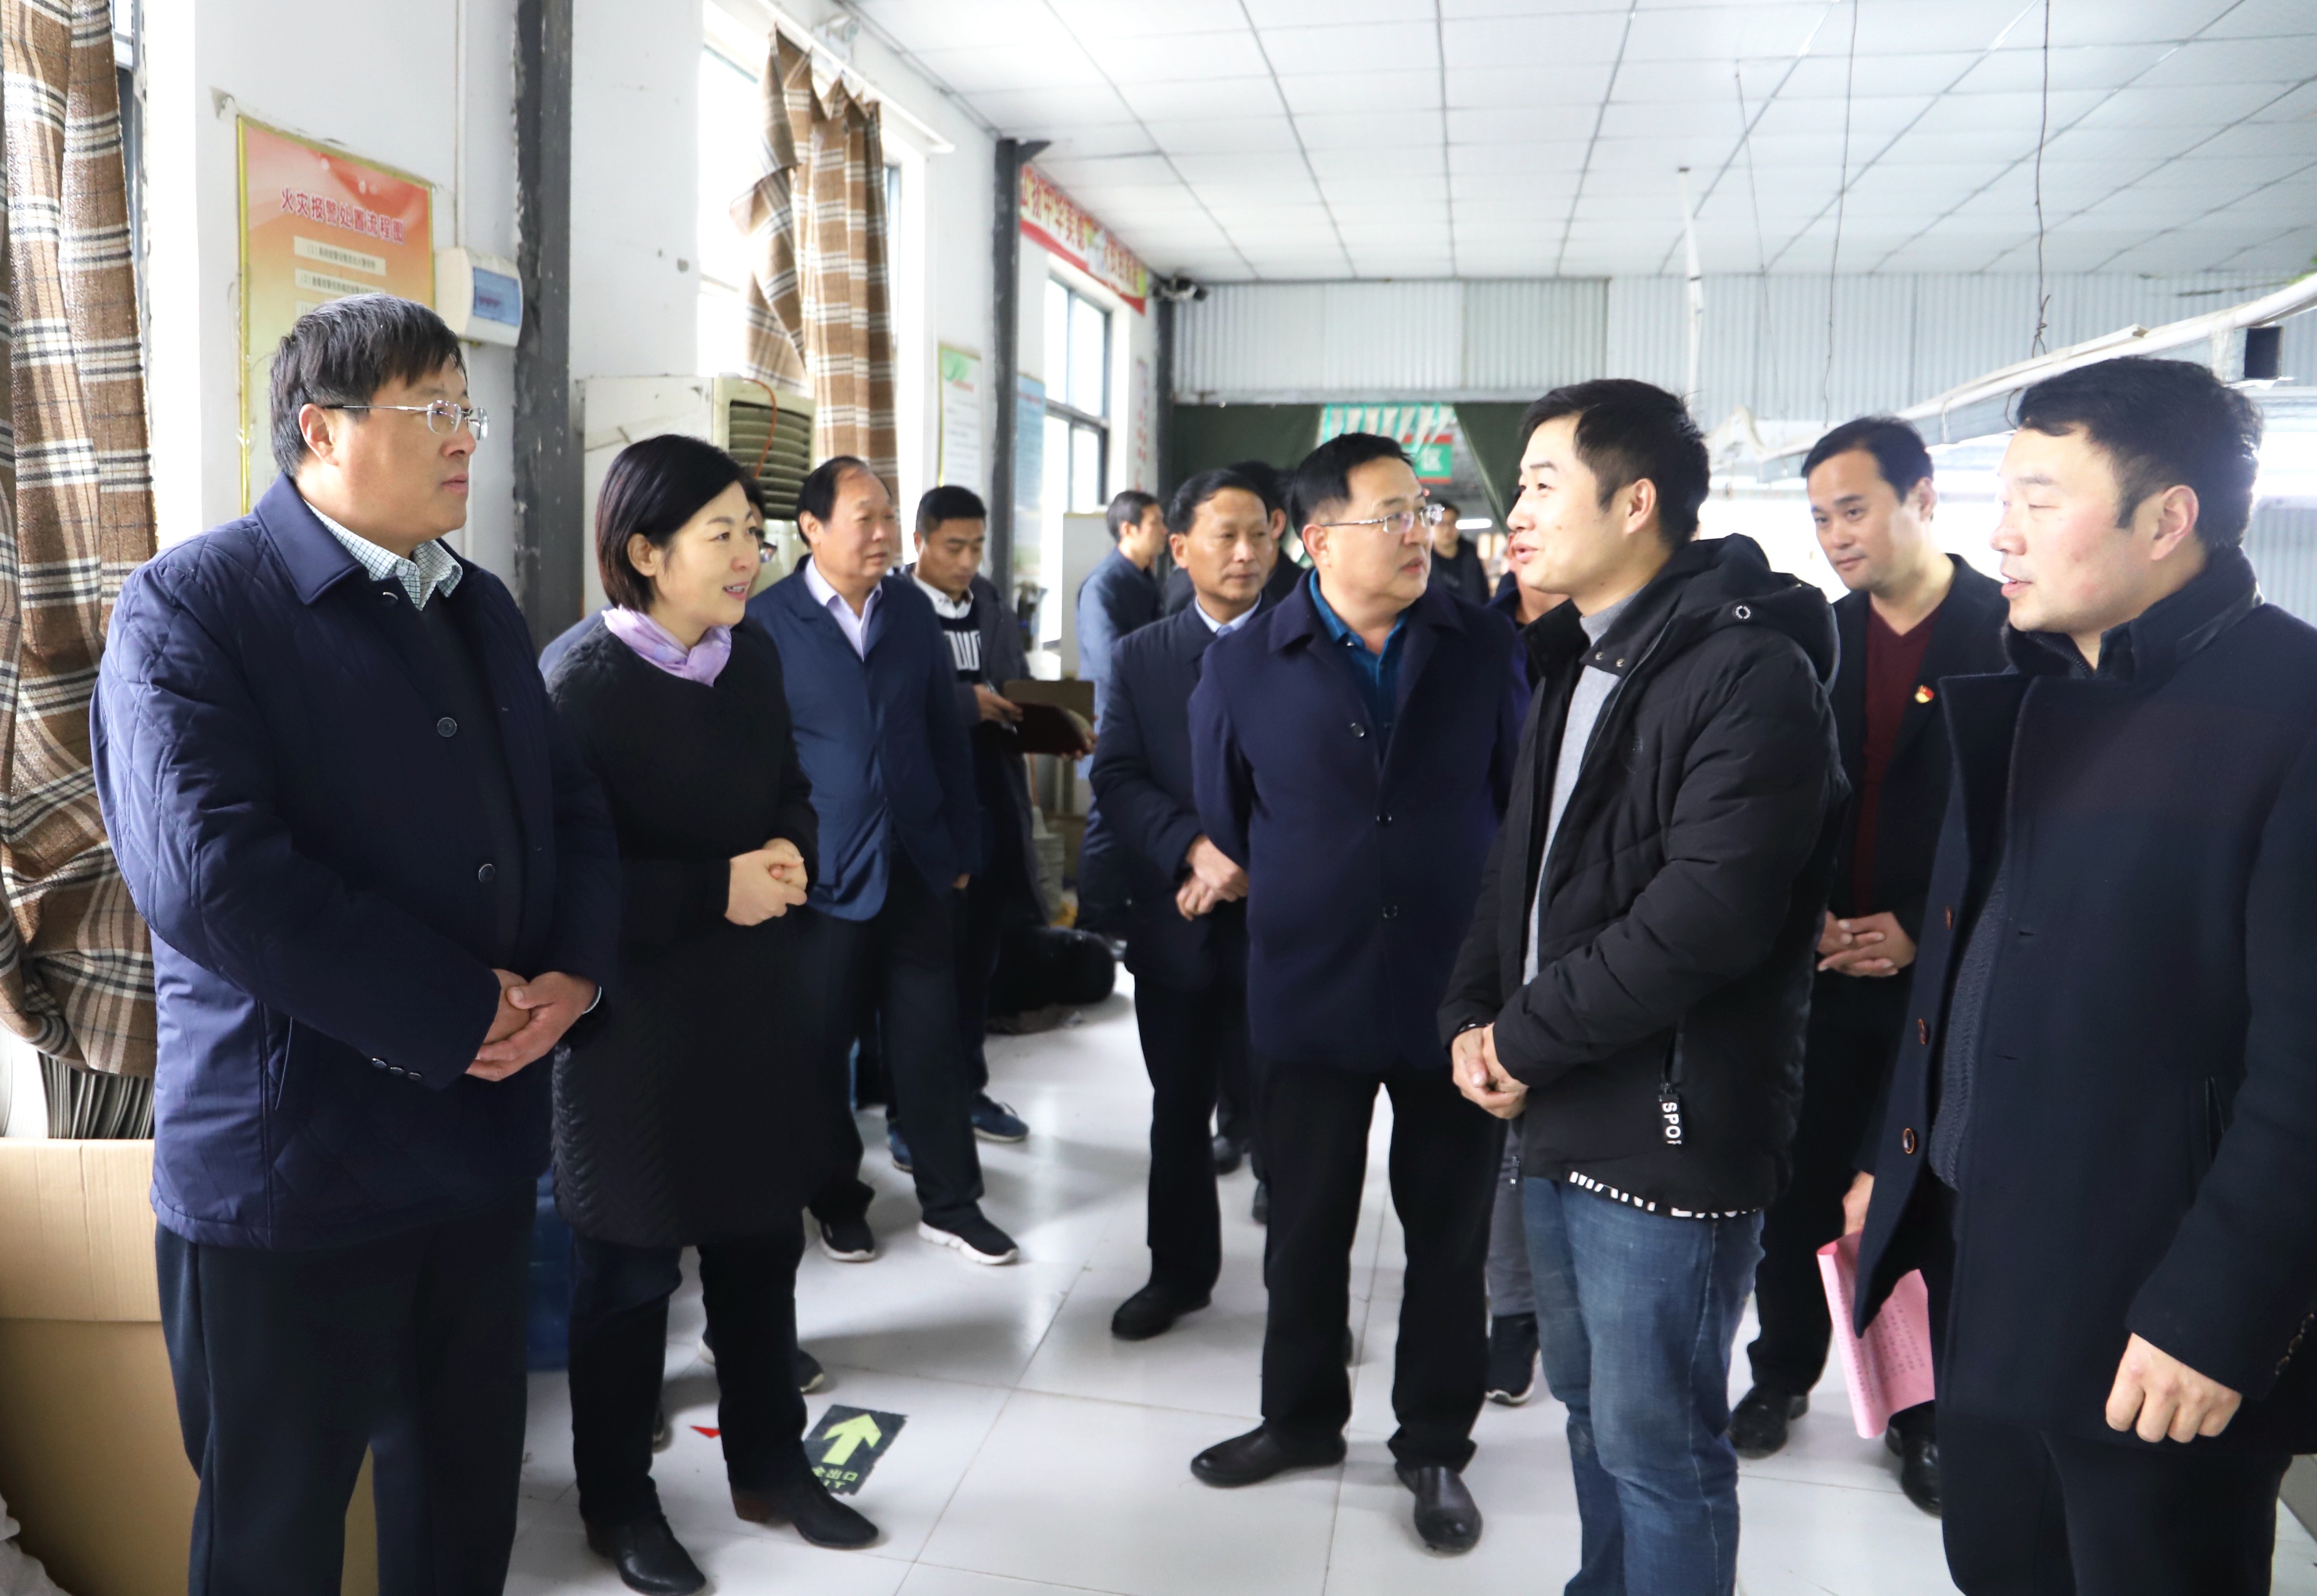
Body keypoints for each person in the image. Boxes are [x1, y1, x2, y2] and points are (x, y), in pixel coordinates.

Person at [91, 293, 621, 1592]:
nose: (465, 435)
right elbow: (211, 878)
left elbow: (569, 805)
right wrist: (454, 1008)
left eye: (464, 406)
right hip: (291, 1170)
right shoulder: (191, 605)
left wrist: (576, 970)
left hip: (473, 1148)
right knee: (274, 1533)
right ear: (320, 430)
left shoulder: (477, 605)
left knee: (460, 1508)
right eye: (432, 408)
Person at [1852, 358, 2317, 1596]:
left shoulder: (2290, 707)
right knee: (1996, 1561)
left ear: (2165, 518)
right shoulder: (2034, 689)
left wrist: (2212, 1314)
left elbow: (2305, 1075)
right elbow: (1965, 967)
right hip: (1990, 1263)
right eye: (1999, 495)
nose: (1998, 533)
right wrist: (1891, 1158)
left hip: (2151, 1307)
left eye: (2038, 499)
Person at [1439, 378, 1844, 1596]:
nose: (1516, 512)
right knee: (1587, 1411)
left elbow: (1704, 919)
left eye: (1541, 484)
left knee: (1659, 1445)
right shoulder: (1576, 655)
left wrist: (1517, 1038)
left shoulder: (1749, 671)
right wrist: (1471, 1016)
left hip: (1670, 1129)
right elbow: (1516, 869)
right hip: (1562, 1100)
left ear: (1634, 503)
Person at [1188, 433, 1527, 1555]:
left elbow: (1513, 804)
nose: (1416, 533)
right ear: (1316, 538)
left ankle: (1433, 1442)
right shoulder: (1246, 662)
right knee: (1303, 1228)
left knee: (1448, 1236)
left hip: (1453, 990)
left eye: (1420, 511)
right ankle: (1297, 1420)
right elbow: (1227, 816)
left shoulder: (1480, 644)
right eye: (1390, 515)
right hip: (1308, 984)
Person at [547, 435, 874, 1592]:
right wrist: (709, 890)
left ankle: (770, 1466)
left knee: (757, 1252)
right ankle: (617, 1503)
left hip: (750, 1010)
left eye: (752, 532)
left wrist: (789, 845)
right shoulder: (578, 684)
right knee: (628, 1280)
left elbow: (790, 786)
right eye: (722, 534)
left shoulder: (750, 658)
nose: (749, 556)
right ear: (645, 551)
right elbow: (560, 887)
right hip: (629, 1036)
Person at [1728, 417, 2007, 1514]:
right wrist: (1801, 923)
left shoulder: (2002, 633)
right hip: (1816, 967)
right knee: (1793, 1186)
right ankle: (1779, 1374)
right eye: (1818, 517)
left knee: (1919, 1197)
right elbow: (1770, 801)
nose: (1833, 535)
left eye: (1853, 509)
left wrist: (1922, 931)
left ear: (1921, 497)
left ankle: (1922, 1415)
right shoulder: (1814, 638)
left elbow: (2015, 826)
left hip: (1942, 978)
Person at [747, 458, 1019, 1268]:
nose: (882, 533)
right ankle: (836, 1199)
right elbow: (755, 760)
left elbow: (941, 729)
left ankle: (952, 1203)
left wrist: (960, 848)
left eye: (888, 517)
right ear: (811, 527)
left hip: (917, 865)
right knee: (818, 1050)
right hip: (820, 876)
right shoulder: (766, 622)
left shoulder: (907, 610)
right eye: (863, 518)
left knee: (929, 1042)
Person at [1091, 467, 1277, 1342]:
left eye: (1260, 535)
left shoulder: (1311, 644)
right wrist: (1194, 849)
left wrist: (1243, 859)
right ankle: (1177, 1273)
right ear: (1179, 548)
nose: (1245, 553)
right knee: (1177, 1111)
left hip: (1284, 926)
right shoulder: (1141, 656)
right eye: (1224, 536)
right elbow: (1117, 776)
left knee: (1292, 1116)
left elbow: (1334, 781)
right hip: (1179, 918)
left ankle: (1303, 1297)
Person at [908, 484, 1063, 1146]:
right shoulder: (893, 607)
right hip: (929, 815)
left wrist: (1050, 722)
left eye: (976, 547)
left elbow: (1012, 683)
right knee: (922, 972)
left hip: (991, 804)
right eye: (953, 547)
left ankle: (969, 1090)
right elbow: (887, 705)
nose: (967, 561)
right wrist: (965, 705)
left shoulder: (990, 603)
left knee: (977, 962)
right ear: (920, 541)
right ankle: (911, 1114)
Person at [1478, 537, 1567, 1411]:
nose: (1528, 518)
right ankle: (1510, 1307)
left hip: (1582, 916)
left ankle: (1527, 1311)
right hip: (1489, 901)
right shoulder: (1476, 635)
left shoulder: (1643, 642)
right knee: (1498, 1126)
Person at [1076, 489, 1166, 718]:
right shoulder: (1102, 585)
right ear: (1128, 530)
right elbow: (1108, 660)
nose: (1164, 530)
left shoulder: (1143, 578)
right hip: (1114, 714)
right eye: (1155, 523)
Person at [1428, 497, 1491, 606]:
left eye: (1452, 523)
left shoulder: (1471, 555)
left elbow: (1483, 593)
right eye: (1441, 524)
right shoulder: (1423, 560)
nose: (1447, 529)